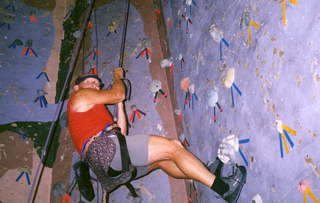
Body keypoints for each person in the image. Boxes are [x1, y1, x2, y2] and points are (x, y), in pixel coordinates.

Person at [67, 67, 246, 203]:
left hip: (108, 171)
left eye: (97, 84)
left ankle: (206, 173)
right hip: (106, 150)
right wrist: (117, 77)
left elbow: (121, 133)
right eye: (90, 82)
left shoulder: (89, 115)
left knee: (163, 161)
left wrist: (119, 104)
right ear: (77, 87)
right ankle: (225, 189)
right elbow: (118, 92)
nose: (95, 85)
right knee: (174, 147)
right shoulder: (79, 97)